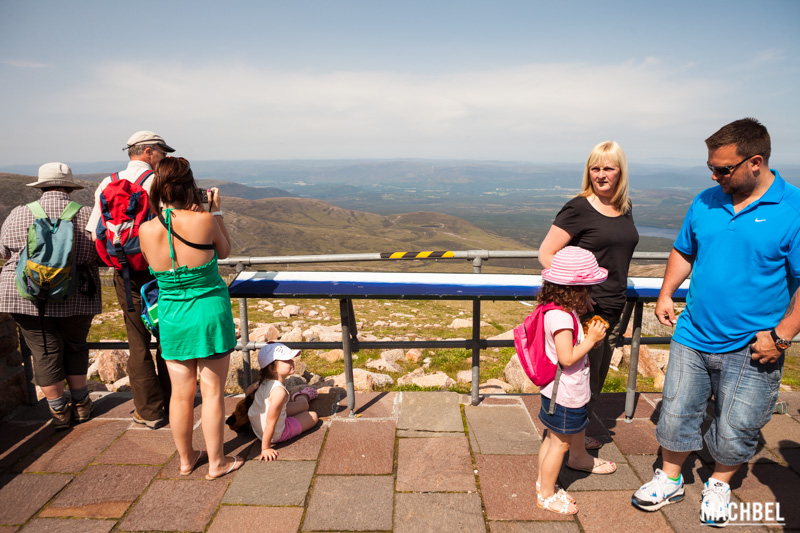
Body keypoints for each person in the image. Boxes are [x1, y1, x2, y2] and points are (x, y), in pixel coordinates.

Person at [632, 118, 800, 527]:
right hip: (693, 333)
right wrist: (667, 292)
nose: (715, 175)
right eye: (711, 166)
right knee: (675, 411)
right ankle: (669, 477)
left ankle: (720, 482)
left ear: (755, 162)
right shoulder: (706, 200)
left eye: (724, 169)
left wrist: (781, 337)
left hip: (754, 343)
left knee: (739, 423)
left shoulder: (793, 209)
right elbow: (683, 249)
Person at [138, 156, 240, 479]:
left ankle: (185, 460)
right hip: (209, 313)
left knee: (180, 394)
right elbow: (224, 252)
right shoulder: (204, 221)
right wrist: (215, 211)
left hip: (172, 317)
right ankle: (216, 463)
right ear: (189, 186)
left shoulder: (145, 230)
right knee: (211, 392)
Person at [538, 140, 637, 470]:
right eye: (595, 167)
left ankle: (575, 438)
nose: (601, 174)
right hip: (587, 312)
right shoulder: (578, 208)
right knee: (578, 383)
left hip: (612, 309)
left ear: (620, 171)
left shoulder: (625, 207)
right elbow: (546, 253)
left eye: (608, 167)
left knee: (591, 382)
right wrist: (580, 291)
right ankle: (573, 453)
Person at [0, 163, 101, 428]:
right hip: (77, 292)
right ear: (69, 187)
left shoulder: (20, 213)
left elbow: (5, 251)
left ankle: (58, 411)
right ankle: (81, 404)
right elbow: (96, 253)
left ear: (41, 187)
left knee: (43, 350)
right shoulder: (87, 215)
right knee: (76, 344)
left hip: (26, 294)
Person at [86, 131, 174, 429]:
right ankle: (176, 404)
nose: (165, 156)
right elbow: (172, 225)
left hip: (123, 272)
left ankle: (149, 412)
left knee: (137, 341)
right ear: (148, 151)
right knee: (168, 337)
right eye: (162, 151)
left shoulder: (108, 181)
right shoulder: (156, 181)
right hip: (158, 272)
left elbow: (93, 229)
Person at [535, 246, 612, 515]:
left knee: (553, 439)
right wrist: (591, 340)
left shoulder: (555, 309)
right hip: (565, 393)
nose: (590, 294)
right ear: (576, 290)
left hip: (557, 391)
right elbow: (567, 358)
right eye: (588, 289)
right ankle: (546, 495)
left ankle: (542, 483)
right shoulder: (562, 318)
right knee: (561, 444)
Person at [247, 343, 320, 461]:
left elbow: (247, 392)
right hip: (276, 434)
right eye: (286, 360)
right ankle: (303, 396)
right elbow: (271, 422)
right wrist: (265, 448)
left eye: (291, 359)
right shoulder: (279, 392)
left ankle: (302, 399)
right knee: (312, 415)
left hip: (257, 429)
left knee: (299, 407)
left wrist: (257, 386)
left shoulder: (262, 382)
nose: (292, 362)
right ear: (272, 368)